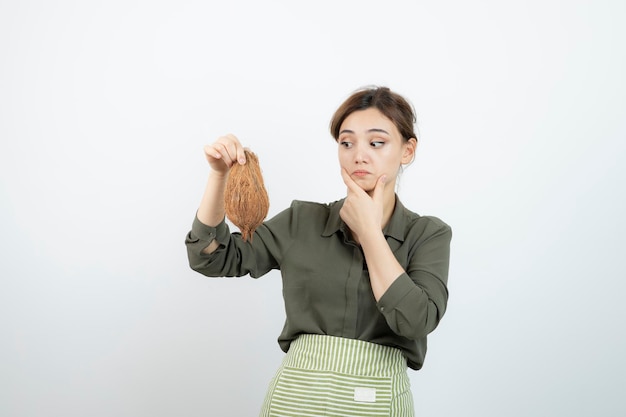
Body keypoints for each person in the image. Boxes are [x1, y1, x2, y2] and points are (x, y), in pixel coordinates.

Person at [185, 86, 452, 416]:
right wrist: (218, 175)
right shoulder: (302, 221)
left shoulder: (427, 234)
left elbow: (416, 321)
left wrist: (370, 233)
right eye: (346, 142)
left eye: (377, 142)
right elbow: (211, 258)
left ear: (407, 150)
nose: (359, 155)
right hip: (292, 403)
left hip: (378, 404)